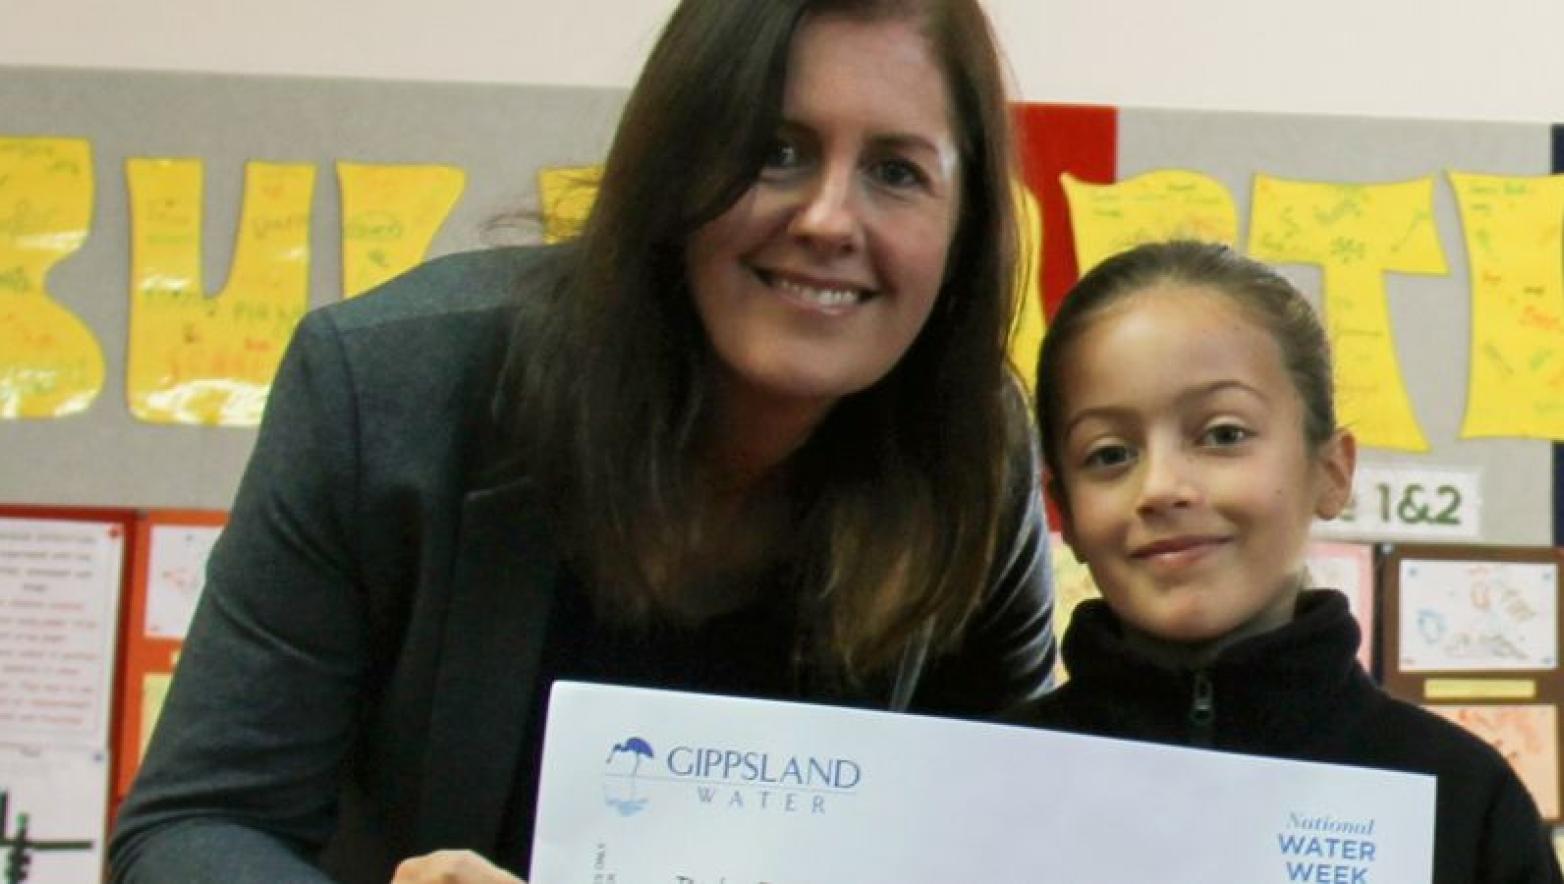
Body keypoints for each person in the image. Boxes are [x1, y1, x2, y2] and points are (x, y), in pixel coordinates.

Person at [107, 1, 1056, 882]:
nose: (827, 219)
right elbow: (190, 832)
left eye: (897, 171)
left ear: (967, 224)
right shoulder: (389, 392)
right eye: (775, 152)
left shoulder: (975, 457)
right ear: (673, 166)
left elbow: (1004, 841)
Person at [1024, 239, 1560, 883]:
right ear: (1066, 510)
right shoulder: (983, 786)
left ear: (1331, 472)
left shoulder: (1464, 800)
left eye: (1223, 434)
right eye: (1109, 454)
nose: (1162, 486)